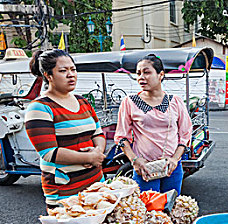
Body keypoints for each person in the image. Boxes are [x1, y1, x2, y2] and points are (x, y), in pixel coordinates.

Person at [25, 49, 106, 211]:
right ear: (48, 75)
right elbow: (50, 153)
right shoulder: (40, 108)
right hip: (65, 190)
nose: (71, 75)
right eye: (63, 71)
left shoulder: (83, 102)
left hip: (97, 184)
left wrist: (98, 151)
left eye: (73, 69)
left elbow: (98, 133)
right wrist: (90, 157)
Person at [114, 54, 192, 194]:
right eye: (138, 73)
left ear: (160, 74)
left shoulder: (175, 101)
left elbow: (185, 134)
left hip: (171, 168)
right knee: (148, 210)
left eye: (147, 72)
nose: (141, 77)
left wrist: (174, 159)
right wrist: (135, 160)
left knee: (171, 209)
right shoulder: (129, 102)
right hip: (144, 167)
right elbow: (121, 137)